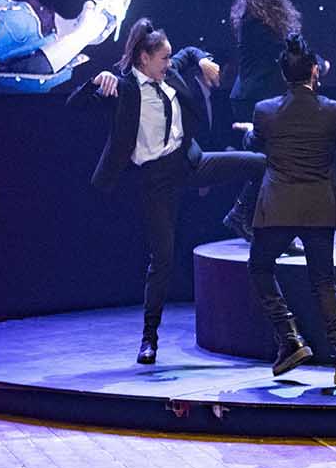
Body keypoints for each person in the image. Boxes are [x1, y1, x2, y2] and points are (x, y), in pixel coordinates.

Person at [67, 18, 265, 364]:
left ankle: (240, 214)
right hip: (155, 180)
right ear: (144, 58)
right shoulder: (124, 89)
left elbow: (189, 52)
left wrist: (203, 59)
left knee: (260, 164)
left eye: (170, 57)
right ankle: (149, 339)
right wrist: (95, 82)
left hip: (189, 163)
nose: (169, 63)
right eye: (163, 58)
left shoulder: (169, 73)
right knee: (162, 260)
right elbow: (74, 106)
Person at [237, 35, 336, 384]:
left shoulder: (265, 111)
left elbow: (256, 142)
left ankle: (289, 336)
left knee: (260, 267)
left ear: (283, 74)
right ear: (315, 71)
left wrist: (250, 132)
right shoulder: (332, 111)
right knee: (323, 281)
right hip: (318, 206)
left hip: (278, 206)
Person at [223, 0, 311, 241]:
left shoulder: (251, 19)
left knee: (272, 161)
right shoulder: (258, 23)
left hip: (254, 97)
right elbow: (288, 49)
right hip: (256, 99)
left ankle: (252, 218)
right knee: (276, 161)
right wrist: (317, 63)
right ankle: (247, 215)